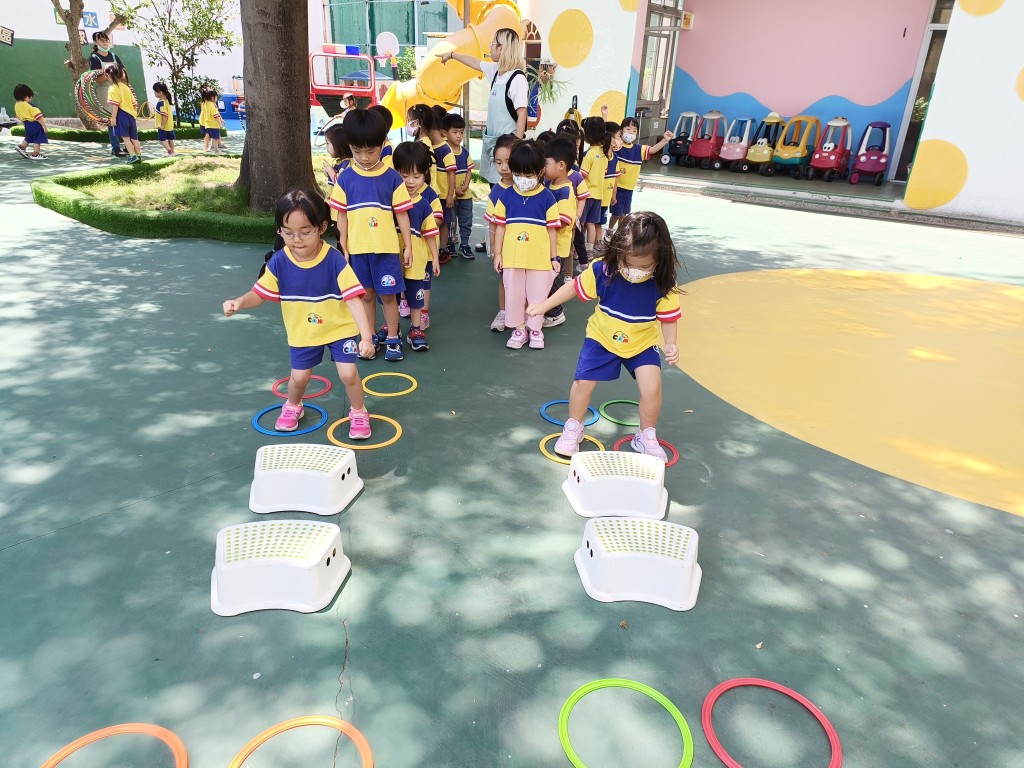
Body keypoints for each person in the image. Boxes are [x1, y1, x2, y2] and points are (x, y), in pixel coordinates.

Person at [526, 212, 682, 461]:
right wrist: (543, 305)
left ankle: (645, 436)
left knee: (652, 388)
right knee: (583, 383)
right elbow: (573, 287)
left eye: (644, 267)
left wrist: (671, 343)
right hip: (602, 337)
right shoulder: (604, 269)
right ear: (618, 251)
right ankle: (574, 427)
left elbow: (668, 318)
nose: (634, 271)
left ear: (659, 260)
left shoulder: (663, 282)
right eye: (628, 263)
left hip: (642, 342)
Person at [222, 189, 377, 437]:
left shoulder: (334, 259)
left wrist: (366, 337)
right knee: (299, 378)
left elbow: (354, 299)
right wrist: (239, 302)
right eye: (288, 232)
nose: (297, 239)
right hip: (303, 332)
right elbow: (259, 294)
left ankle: (359, 412)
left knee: (348, 374)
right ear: (279, 230)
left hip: (340, 328)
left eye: (305, 232)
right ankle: (293, 406)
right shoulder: (279, 262)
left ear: (322, 227)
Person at [328, 108, 414, 362]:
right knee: (365, 296)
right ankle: (370, 337)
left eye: (371, 151)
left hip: (386, 250)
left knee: (389, 296)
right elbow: (341, 215)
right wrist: (343, 246)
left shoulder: (392, 178)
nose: (364, 157)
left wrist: (408, 246)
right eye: (357, 151)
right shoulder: (345, 179)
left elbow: (402, 214)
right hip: (358, 250)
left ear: (382, 144)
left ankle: (393, 338)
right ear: (349, 147)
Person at [491, 140, 560, 350]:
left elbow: (552, 231)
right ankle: (519, 329)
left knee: (538, 295)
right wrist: (497, 254)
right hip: (512, 259)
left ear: (540, 172)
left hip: (539, 260)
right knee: (514, 294)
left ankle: (535, 329)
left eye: (528, 175)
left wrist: (554, 257)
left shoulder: (547, 198)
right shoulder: (506, 196)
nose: (522, 179)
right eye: (518, 174)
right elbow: (500, 227)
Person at [439, 27, 527, 184]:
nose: (490, 46)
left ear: (501, 48)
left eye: (493, 43)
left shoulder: (517, 78)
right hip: (493, 143)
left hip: (508, 146)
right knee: (494, 186)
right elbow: (474, 62)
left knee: (506, 188)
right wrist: (452, 55)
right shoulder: (496, 71)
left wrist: (517, 147)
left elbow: (522, 114)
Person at [392, 141, 442, 351]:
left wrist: (435, 257)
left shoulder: (425, 202)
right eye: (404, 175)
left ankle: (417, 326)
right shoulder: (389, 199)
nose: (410, 181)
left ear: (424, 175)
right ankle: (392, 327)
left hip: (419, 259)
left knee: (418, 292)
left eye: (416, 176)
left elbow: (432, 229)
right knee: (391, 294)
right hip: (393, 257)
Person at [541, 136, 579, 328]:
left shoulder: (564, 192)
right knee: (546, 280)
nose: (543, 167)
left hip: (558, 247)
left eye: (546, 164)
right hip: (550, 245)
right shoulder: (552, 185)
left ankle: (555, 313)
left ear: (561, 165)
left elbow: (563, 222)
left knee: (548, 282)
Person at [483, 133, 519, 332]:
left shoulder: (529, 188)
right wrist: (493, 251)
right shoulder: (496, 191)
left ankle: (524, 315)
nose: (504, 168)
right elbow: (493, 224)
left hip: (524, 246)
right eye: (498, 162)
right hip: (503, 247)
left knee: (524, 282)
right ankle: (503, 312)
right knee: (504, 280)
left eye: (508, 162)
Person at [610, 117, 674, 231]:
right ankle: (610, 230)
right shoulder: (617, 148)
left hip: (629, 188)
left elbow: (653, 150)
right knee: (616, 214)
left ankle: (620, 233)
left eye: (634, 130)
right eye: (628, 129)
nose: (631, 133)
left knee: (624, 214)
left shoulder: (639, 149)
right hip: (617, 187)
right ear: (621, 131)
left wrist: (665, 140)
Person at [441, 112, 475, 260]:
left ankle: (464, 245)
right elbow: (447, 175)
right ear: (445, 133)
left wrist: (465, 187)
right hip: (451, 195)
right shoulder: (444, 152)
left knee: (466, 219)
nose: (459, 136)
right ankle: (449, 244)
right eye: (455, 132)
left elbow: (469, 171)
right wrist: (454, 190)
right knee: (450, 220)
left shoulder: (465, 152)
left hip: (465, 195)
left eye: (461, 132)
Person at [88, 31, 127, 157]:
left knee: (125, 117)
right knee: (112, 119)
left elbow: (124, 73)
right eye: (101, 40)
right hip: (105, 91)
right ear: (95, 42)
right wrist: (109, 74)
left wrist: (122, 82)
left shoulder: (114, 56)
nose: (105, 42)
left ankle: (128, 145)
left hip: (119, 88)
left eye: (106, 40)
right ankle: (116, 147)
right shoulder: (94, 58)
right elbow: (97, 79)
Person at [579, 116, 609, 257]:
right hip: (598, 195)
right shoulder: (604, 154)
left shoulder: (589, 154)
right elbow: (604, 172)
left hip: (586, 195)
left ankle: (577, 251)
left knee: (581, 223)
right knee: (591, 224)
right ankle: (589, 251)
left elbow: (582, 175)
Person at [105, 65, 142, 164]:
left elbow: (115, 105)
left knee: (126, 138)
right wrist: (134, 115)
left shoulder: (113, 88)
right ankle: (139, 156)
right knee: (134, 138)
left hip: (121, 115)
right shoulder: (127, 88)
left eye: (107, 76)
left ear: (110, 75)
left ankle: (133, 156)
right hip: (131, 116)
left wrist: (113, 118)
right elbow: (135, 104)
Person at [13, 84, 49, 160]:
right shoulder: (29, 106)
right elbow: (38, 116)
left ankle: (22, 147)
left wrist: (24, 124)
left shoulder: (16, 105)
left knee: (28, 137)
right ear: (26, 96)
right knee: (37, 139)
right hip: (35, 124)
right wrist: (43, 126)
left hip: (27, 124)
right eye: (30, 97)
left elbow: (18, 116)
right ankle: (35, 154)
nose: (31, 99)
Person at [322, 123, 351, 189]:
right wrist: (328, 173)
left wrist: (330, 170)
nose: (326, 146)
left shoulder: (347, 164)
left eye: (327, 143)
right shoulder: (343, 162)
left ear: (338, 144)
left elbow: (340, 184)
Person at [199, 87, 226, 153]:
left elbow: (216, 113)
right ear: (212, 97)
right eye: (216, 97)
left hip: (207, 124)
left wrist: (221, 119)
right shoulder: (212, 105)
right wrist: (220, 123)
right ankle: (215, 150)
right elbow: (216, 115)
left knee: (213, 137)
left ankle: (212, 147)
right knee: (215, 138)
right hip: (213, 124)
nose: (216, 99)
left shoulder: (204, 103)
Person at [152, 82, 176, 156]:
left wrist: (162, 125)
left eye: (155, 91)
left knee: (162, 140)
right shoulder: (167, 101)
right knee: (170, 139)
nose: (154, 93)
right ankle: (173, 152)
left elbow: (165, 116)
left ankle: (170, 152)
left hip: (163, 126)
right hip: (170, 126)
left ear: (160, 92)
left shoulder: (161, 103)